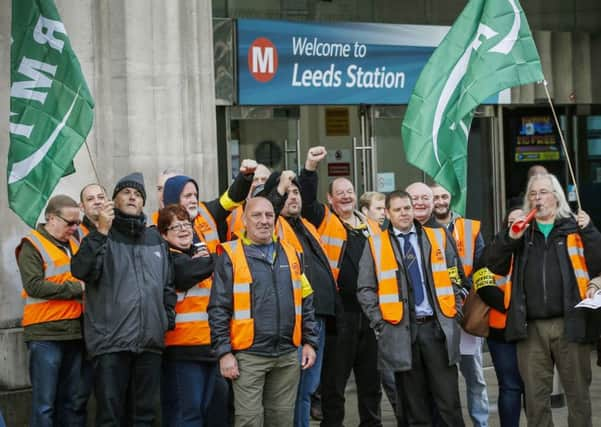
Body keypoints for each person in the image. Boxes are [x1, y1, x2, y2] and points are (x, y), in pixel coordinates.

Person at [483, 173, 601, 427]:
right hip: (530, 327)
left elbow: (598, 263)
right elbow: (493, 263)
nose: (537, 198)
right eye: (532, 194)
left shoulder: (575, 227)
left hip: (572, 323)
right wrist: (510, 238)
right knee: (536, 399)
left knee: (578, 396)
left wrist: (590, 230)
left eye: (543, 192)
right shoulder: (522, 231)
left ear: (557, 197)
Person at [71, 172, 176, 426]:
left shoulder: (155, 239)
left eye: (138, 194)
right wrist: (101, 232)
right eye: (126, 192)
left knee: (145, 417)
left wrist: (165, 319)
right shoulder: (100, 236)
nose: (133, 197)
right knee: (110, 418)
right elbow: (81, 270)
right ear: (113, 201)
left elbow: (167, 285)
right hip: (111, 344)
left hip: (150, 342)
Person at [357, 190, 465, 427]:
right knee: (414, 408)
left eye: (407, 208)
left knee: (449, 403)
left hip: (437, 328)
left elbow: (454, 274)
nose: (404, 213)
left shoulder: (437, 236)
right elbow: (365, 289)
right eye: (397, 209)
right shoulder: (375, 244)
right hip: (400, 332)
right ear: (387, 213)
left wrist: (455, 307)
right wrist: (379, 323)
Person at [208, 197, 318, 426]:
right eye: (257, 215)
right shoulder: (230, 255)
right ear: (244, 221)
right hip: (249, 356)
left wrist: (310, 342)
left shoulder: (291, 253)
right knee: (250, 421)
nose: (264, 221)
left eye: (269, 215)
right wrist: (224, 353)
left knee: (282, 421)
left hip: (287, 355)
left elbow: (305, 299)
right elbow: (218, 309)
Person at [298, 146, 383, 427]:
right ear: (330, 198)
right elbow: (307, 200)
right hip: (340, 316)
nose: (346, 196)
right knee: (334, 384)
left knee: (371, 382)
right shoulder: (324, 219)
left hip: (370, 315)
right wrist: (310, 167)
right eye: (340, 192)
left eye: (350, 191)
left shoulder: (372, 226)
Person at [258, 170, 338, 427]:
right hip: (295, 320)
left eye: (296, 192)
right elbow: (268, 206)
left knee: (307, 389)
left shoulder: (308, 226)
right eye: (287, 192)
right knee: (296, 390)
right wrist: (279, 188)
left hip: (318, 318)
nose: (294, 197)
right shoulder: (272, 226)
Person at [16, 195, 87, 426]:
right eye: (70, 223)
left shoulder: (74, 243)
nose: (75, 228)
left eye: (78, 222)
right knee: (44, 405)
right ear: (51, 218)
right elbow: (34, 285)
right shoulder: (32, 244)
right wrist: (76, 288)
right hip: (45, 334)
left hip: (74, 333)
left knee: (72, 402)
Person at [431, 184, 489, 427]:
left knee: (475, 377)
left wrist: (468, 295)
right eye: (436, 197)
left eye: (444, 196)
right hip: (436, 316)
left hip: (465, 314)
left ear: (451, 199)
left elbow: (482, 265)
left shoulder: (470, 228)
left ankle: (481, 423)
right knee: (440, 379)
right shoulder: (421, 228)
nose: (441, 201)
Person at [158, 204, 216, 427]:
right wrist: (218, 259)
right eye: (175, 227)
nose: (183, 230)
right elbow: (184, 274)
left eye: (186, 224)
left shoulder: (197, 257)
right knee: (186, 415)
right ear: (164, 234)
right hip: (182, 349)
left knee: (202, 411)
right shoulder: (168, 258)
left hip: (208, 347)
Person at [477, 205, 525, 427]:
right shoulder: (494, 249)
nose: (517, 223)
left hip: (529, 331)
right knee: (510, 386)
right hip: (501, 331)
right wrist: (512, 306)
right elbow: (483, 284)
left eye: (522, 219)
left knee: (533, 387)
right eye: (512, 220)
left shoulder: (535, 248)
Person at [226, 163, 271, 241]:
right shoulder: (232, 213)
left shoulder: (280, 210)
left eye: (264, 180)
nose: (260, 183)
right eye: (255, 179)